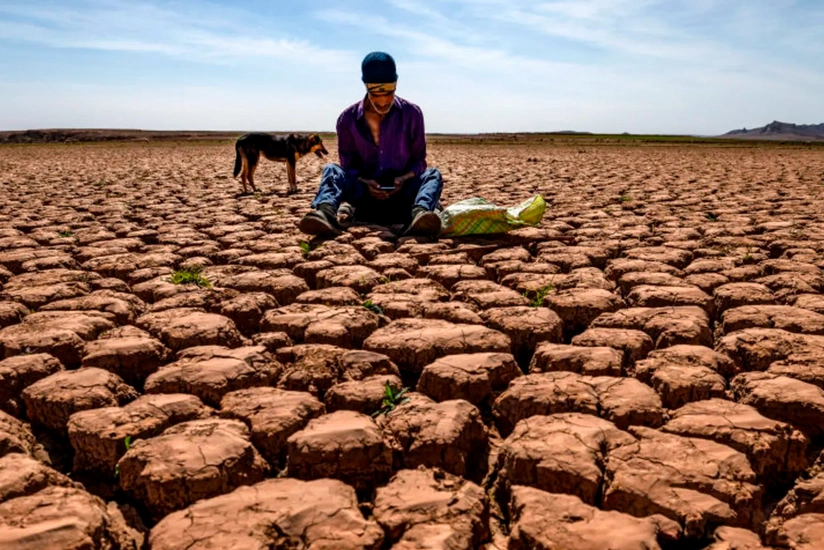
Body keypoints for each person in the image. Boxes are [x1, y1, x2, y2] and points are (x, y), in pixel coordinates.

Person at [298, 51, 443, 237]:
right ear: (366, 86)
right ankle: (325, 214)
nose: (383, 101)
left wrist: (403, 179)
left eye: (389, 93)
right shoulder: (347, 120)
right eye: (375, 94)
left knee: (432, 175)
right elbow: (348, 166)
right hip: (365, 196)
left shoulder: (412, 114)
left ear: (396, 84)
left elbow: (419, 161)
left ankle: (420, 215)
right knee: (332, 170)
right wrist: (366, 183)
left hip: (402, 196)